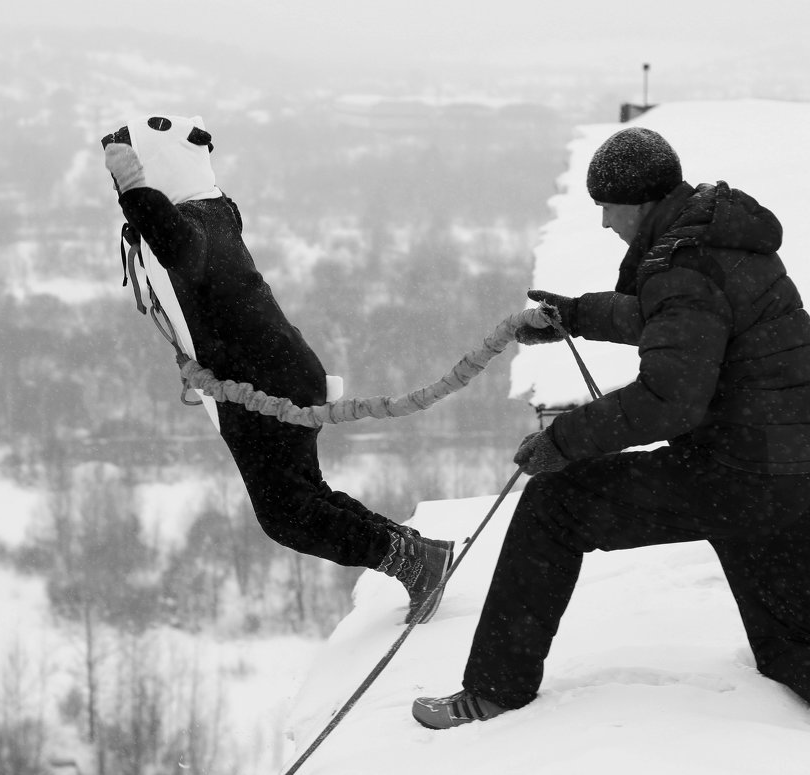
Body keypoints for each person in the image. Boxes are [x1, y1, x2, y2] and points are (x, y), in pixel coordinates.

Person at [413, 126, 810, 728]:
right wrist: (574, 316)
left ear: (641, 200)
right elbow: (684, 325)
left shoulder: (682, 262)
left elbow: (667, 400)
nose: (603, 223)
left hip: (738, 473)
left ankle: (495, 689)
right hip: (790, 470)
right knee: (791, 651)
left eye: (606, 206)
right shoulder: (722, 237)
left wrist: (563, 442)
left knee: (555, 503)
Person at [102, 114, 453, 623]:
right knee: (303, 494)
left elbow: (175, 243)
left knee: (287, 514)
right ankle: (415, 552)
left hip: (263, 384)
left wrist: (135, 188)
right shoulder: (213, 210)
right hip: (271, 373)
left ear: (156, 167)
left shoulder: (195, 224)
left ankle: (415, 561)